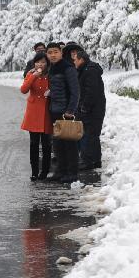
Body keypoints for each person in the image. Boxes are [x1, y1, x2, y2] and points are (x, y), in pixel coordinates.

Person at [45, 43, 80, 183]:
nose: (52, 55)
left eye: (55, 52)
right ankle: (61, 171)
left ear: (60, 52)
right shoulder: (52, 68)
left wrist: (70, 110)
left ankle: (72, 173)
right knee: (58, 144)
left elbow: (75, 91)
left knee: (69, 144)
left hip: (66, 112)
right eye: (50, 52)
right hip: (54, 110)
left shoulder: (68, 68)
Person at [72, 48, 106, 170]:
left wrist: (84, 107)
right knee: (93, 135)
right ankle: (95, 161)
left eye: (75, 60)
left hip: (93, 110)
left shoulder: (89, 70)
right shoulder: (85, 69)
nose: (74, 62)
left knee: (89, 135)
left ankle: (88, 161)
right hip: (94, 108)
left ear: (81, 59)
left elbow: (91, 91)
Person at [21, 52, 51, 181]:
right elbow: (23, 90)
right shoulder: (30, 74)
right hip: (33, 112)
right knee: (33, 143)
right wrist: (33, 76)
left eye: (43, 62)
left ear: (47, 63)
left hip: (46, 112)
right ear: (34, 63)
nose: (40, 64)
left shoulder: (51, 75)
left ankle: (44, 171)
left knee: (46, 144)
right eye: (38, 62)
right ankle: (34, 171)